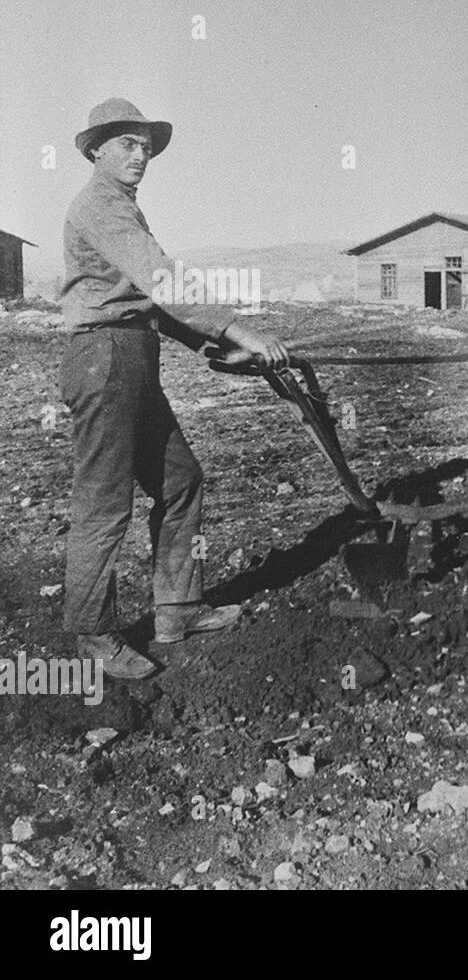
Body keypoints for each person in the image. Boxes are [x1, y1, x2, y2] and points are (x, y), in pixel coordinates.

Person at [60, 98, 290, 680]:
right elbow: (161, 279)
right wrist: (237, 327)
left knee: (182, 481)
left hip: (132, 356)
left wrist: (218, 348)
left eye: (145, 147)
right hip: (104, 361)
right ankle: (92, 633)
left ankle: (177, 609)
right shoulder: (100, 207)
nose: (141, 156)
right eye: (128, 145)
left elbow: (149, 308)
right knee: (105, 503)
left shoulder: (121, 208)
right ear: (97, 151)